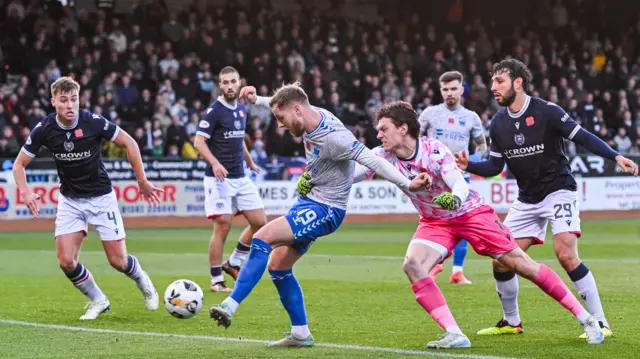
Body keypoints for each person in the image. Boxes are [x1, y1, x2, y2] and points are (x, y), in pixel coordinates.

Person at [298, 101, 606, 348]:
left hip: (471, 214)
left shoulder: (434, 150)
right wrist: (316, 179)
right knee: (413, 264)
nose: (378, 136)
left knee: (520, 264)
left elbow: (458, 184)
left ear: (403, 129)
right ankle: (455, 333)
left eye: (383, 129)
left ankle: (587, 319)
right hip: (434, 222)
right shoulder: (382, 155)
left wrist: (454, 200)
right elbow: (351, 175)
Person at [208, 83, 430, 347]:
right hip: (309, 202)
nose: (280, 125)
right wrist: (257, 99)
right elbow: (280, 103)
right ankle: (301, 334)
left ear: (298, 111)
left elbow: (373, 161)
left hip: (326, 208)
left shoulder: (335, 137)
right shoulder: (307, 113)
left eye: (281, 119)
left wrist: (408, 182)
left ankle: (230, 305)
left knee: (263, 236)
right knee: (278, 267)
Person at [457, 59, 638, 338]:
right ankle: (512, 322)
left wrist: (614, 156)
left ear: (518, 82)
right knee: (501, 260)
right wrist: (468, 165)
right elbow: (495, 167)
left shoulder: (548, 111)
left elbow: (583, 137)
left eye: (499, 81)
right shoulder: (498, 123)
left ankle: (601, 322)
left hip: (559, 189)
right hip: (527, 198)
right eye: (492, 81)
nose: (493, 87)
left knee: (566, 254)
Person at [12, 76, 161, 320]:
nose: (70, 105)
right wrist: (25, 192)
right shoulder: (45, 129)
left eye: (74, 99)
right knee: (66, 261)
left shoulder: (93, 122)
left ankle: (142, 279)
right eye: (64, 101)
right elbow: (19, 164)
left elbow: (129, 142)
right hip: (70, 200)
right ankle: (98, 300)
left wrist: (142, 181)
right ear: (53, 102)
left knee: (119, 262)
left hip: (101, 198)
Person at [193, 66, 267, 292]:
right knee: (223, 225)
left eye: (232, 81)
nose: (229, 86)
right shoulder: (214, 111)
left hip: (240, 176)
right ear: (220, 85)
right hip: (219, 179)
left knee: (260, 223)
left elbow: (238, 139)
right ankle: (216, 280)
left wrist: (250, 160)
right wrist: (215, 163)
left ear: (239, 82)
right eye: (224, 82)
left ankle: (233, 262)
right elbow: (198, 142)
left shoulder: (241, 109)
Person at [418, 70, 487, 284]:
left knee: (462, 222)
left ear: (461, 89)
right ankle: (433, 264)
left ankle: (456, 271)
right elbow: (415, 139)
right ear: (441, 90)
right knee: (433, 222)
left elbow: (482, 144)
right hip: (433, 179)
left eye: (454, 88)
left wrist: (474, 159)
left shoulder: (471, 117)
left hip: (460, 177)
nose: (450, 93)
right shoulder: (429, 114)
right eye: (446, 89)